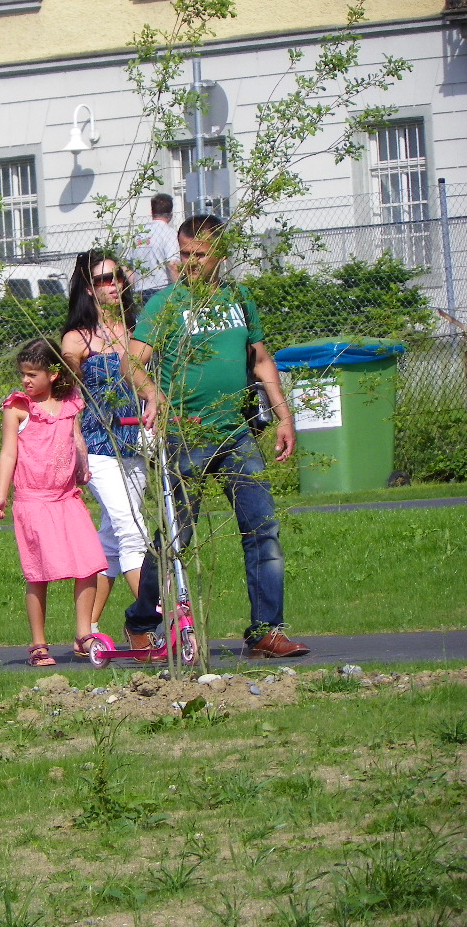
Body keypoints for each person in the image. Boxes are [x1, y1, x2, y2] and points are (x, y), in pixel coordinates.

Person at [123, 214, 308, 659]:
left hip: (236, 434)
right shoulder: (166, 304)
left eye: (199, 255)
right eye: (184, 254)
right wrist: (152, 393)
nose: (189, 263)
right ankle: (142, 620)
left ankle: (265, 631)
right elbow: (132, 362)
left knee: (262, 527)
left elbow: (260, 359)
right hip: (185, 436)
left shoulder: (239, 298)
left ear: (221, 254)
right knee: (177, 536)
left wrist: (283, 416)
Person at [0, 337, 108, 666]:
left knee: (88, 563)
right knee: (38, 573)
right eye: (23, 374)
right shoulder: (18, 407)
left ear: (53, 374)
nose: (25, 380)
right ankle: (38, 644)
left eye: (33, 374)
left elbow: (76, 438)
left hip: (67, 498)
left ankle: (84, 633)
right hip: (34, 501)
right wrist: (1, 494)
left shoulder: (70, 402)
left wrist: (82, 465)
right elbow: (8, 453)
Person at [60, 251, 148, 649]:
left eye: (117, 277)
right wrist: (74, 441)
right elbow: (68, 393)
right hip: (97, 445)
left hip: (134, 443)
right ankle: (155, 618)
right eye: (102, 279)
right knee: (132, 530)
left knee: (112, 539)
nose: (113, 285)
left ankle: (88, 631)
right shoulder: (77, 339)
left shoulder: (138, 330)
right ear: (87, 288)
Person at [124, 193, 180, 304]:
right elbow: (173, 264)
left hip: (140, 290)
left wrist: (135, 282)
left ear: (152, 211)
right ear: (171, 213)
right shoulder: (169, 233)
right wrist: (178, 290)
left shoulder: (139, 234)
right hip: (163, 288)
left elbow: (124, 264)